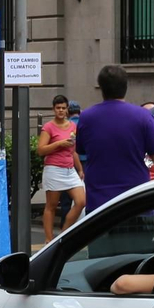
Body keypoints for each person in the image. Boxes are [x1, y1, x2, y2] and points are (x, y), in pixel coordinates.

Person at [76, 65, 154, 209]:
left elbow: (81, 150)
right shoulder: (143, 116)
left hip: (98, 200)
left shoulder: (86, 117)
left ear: (101, 87)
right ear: (126, 86)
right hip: (134, 199)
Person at [40, 95, 86, 240]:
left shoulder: (72, 126)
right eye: (58, 108)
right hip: (54, 169)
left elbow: (73, 150)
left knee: (81, 201)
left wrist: (80, 169)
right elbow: (41, 150)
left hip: (70, 169)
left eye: (63, 108)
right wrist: (59, 143)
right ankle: (49, 240)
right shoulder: (48, 127)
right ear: (53, 109)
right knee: (51, 205)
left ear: (67, 110)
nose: (60, 110)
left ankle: (63, 234)